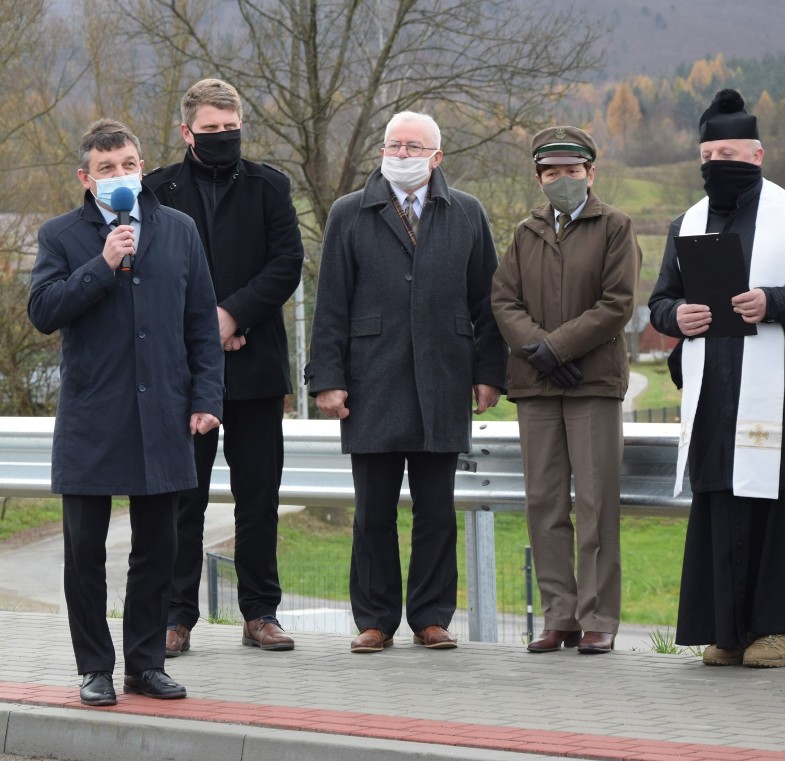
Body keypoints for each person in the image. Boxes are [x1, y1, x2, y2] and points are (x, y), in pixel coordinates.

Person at [649, 89, 785, 668]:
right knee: (724, 507)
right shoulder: (686, 221)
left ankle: (782, 632)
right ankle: (729, 629)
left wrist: (773, 301)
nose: (718, 164)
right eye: (709, 154)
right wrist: (674, 317)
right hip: (714, 391)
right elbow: (662, 298)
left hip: (778, 394)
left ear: (757, 156)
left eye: (730, 153)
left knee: (781, 506)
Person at [28, 119, 224, 706]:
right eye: (108, 168)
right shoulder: (62, 235)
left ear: (143, 169)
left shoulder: (179, 230)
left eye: (130, 164)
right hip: (93, 418)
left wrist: (207, 399)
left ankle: (146, 663)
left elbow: (201, 325)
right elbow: (44, 309)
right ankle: (94, 667)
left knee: (157, 549)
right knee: (84, 552)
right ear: (87, 179)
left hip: (164, 413)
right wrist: (103, 263)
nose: (122, 175)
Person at [306, 110, 507, 653]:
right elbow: (330, 306)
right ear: (380, 152)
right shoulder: (350, 213)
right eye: (394, 145)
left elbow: (487, 301)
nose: (402, 154)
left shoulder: (466, 212)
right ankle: (374, 620)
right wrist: (328, 379)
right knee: (373, 511)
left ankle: (431, 618)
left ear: (437, 157)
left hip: (444, 378)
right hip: (371, 381)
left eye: (415, 147)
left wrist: (489, 372)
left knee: (436, 510)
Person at [144, 79, 304, 655]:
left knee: (259, 494)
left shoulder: (269, 186)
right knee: (184, 496)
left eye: (229, 128)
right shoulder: (155, 191)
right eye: (210, 130)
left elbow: (287, 262)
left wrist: (233, 316)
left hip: (256, 365)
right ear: (187, 132)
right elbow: (151, 269)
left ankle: (260, 613)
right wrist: (202, 328)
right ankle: (175, 616)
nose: (222, 138)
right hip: (185, 374)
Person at [492, 126, 641, 655]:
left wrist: (559, 349)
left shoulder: (615, 226)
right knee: (544, 502)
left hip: (593, 385)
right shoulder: (524, 232)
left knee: (597, 502)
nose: (562, 179)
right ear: (538, 177)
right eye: (551, 172)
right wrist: (541, 352)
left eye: (571, 171)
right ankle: (560, 616)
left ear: (590, 173)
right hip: (536, 387)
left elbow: (617, 303)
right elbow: (504, 301)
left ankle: (598, 616)